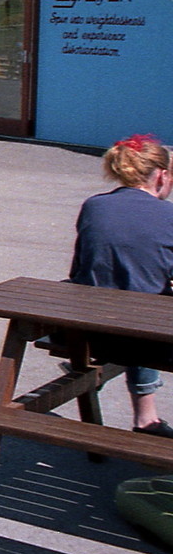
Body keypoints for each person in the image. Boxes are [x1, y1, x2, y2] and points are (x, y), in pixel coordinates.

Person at [69, 133, 173, 437]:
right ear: (162, 176)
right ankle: (145, 419)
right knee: (149, 308)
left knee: (132, 299)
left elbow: (80, 269)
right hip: (146, 339)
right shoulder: (168, 215)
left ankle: (145, 416)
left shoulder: (94, 206)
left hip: (90, 333)